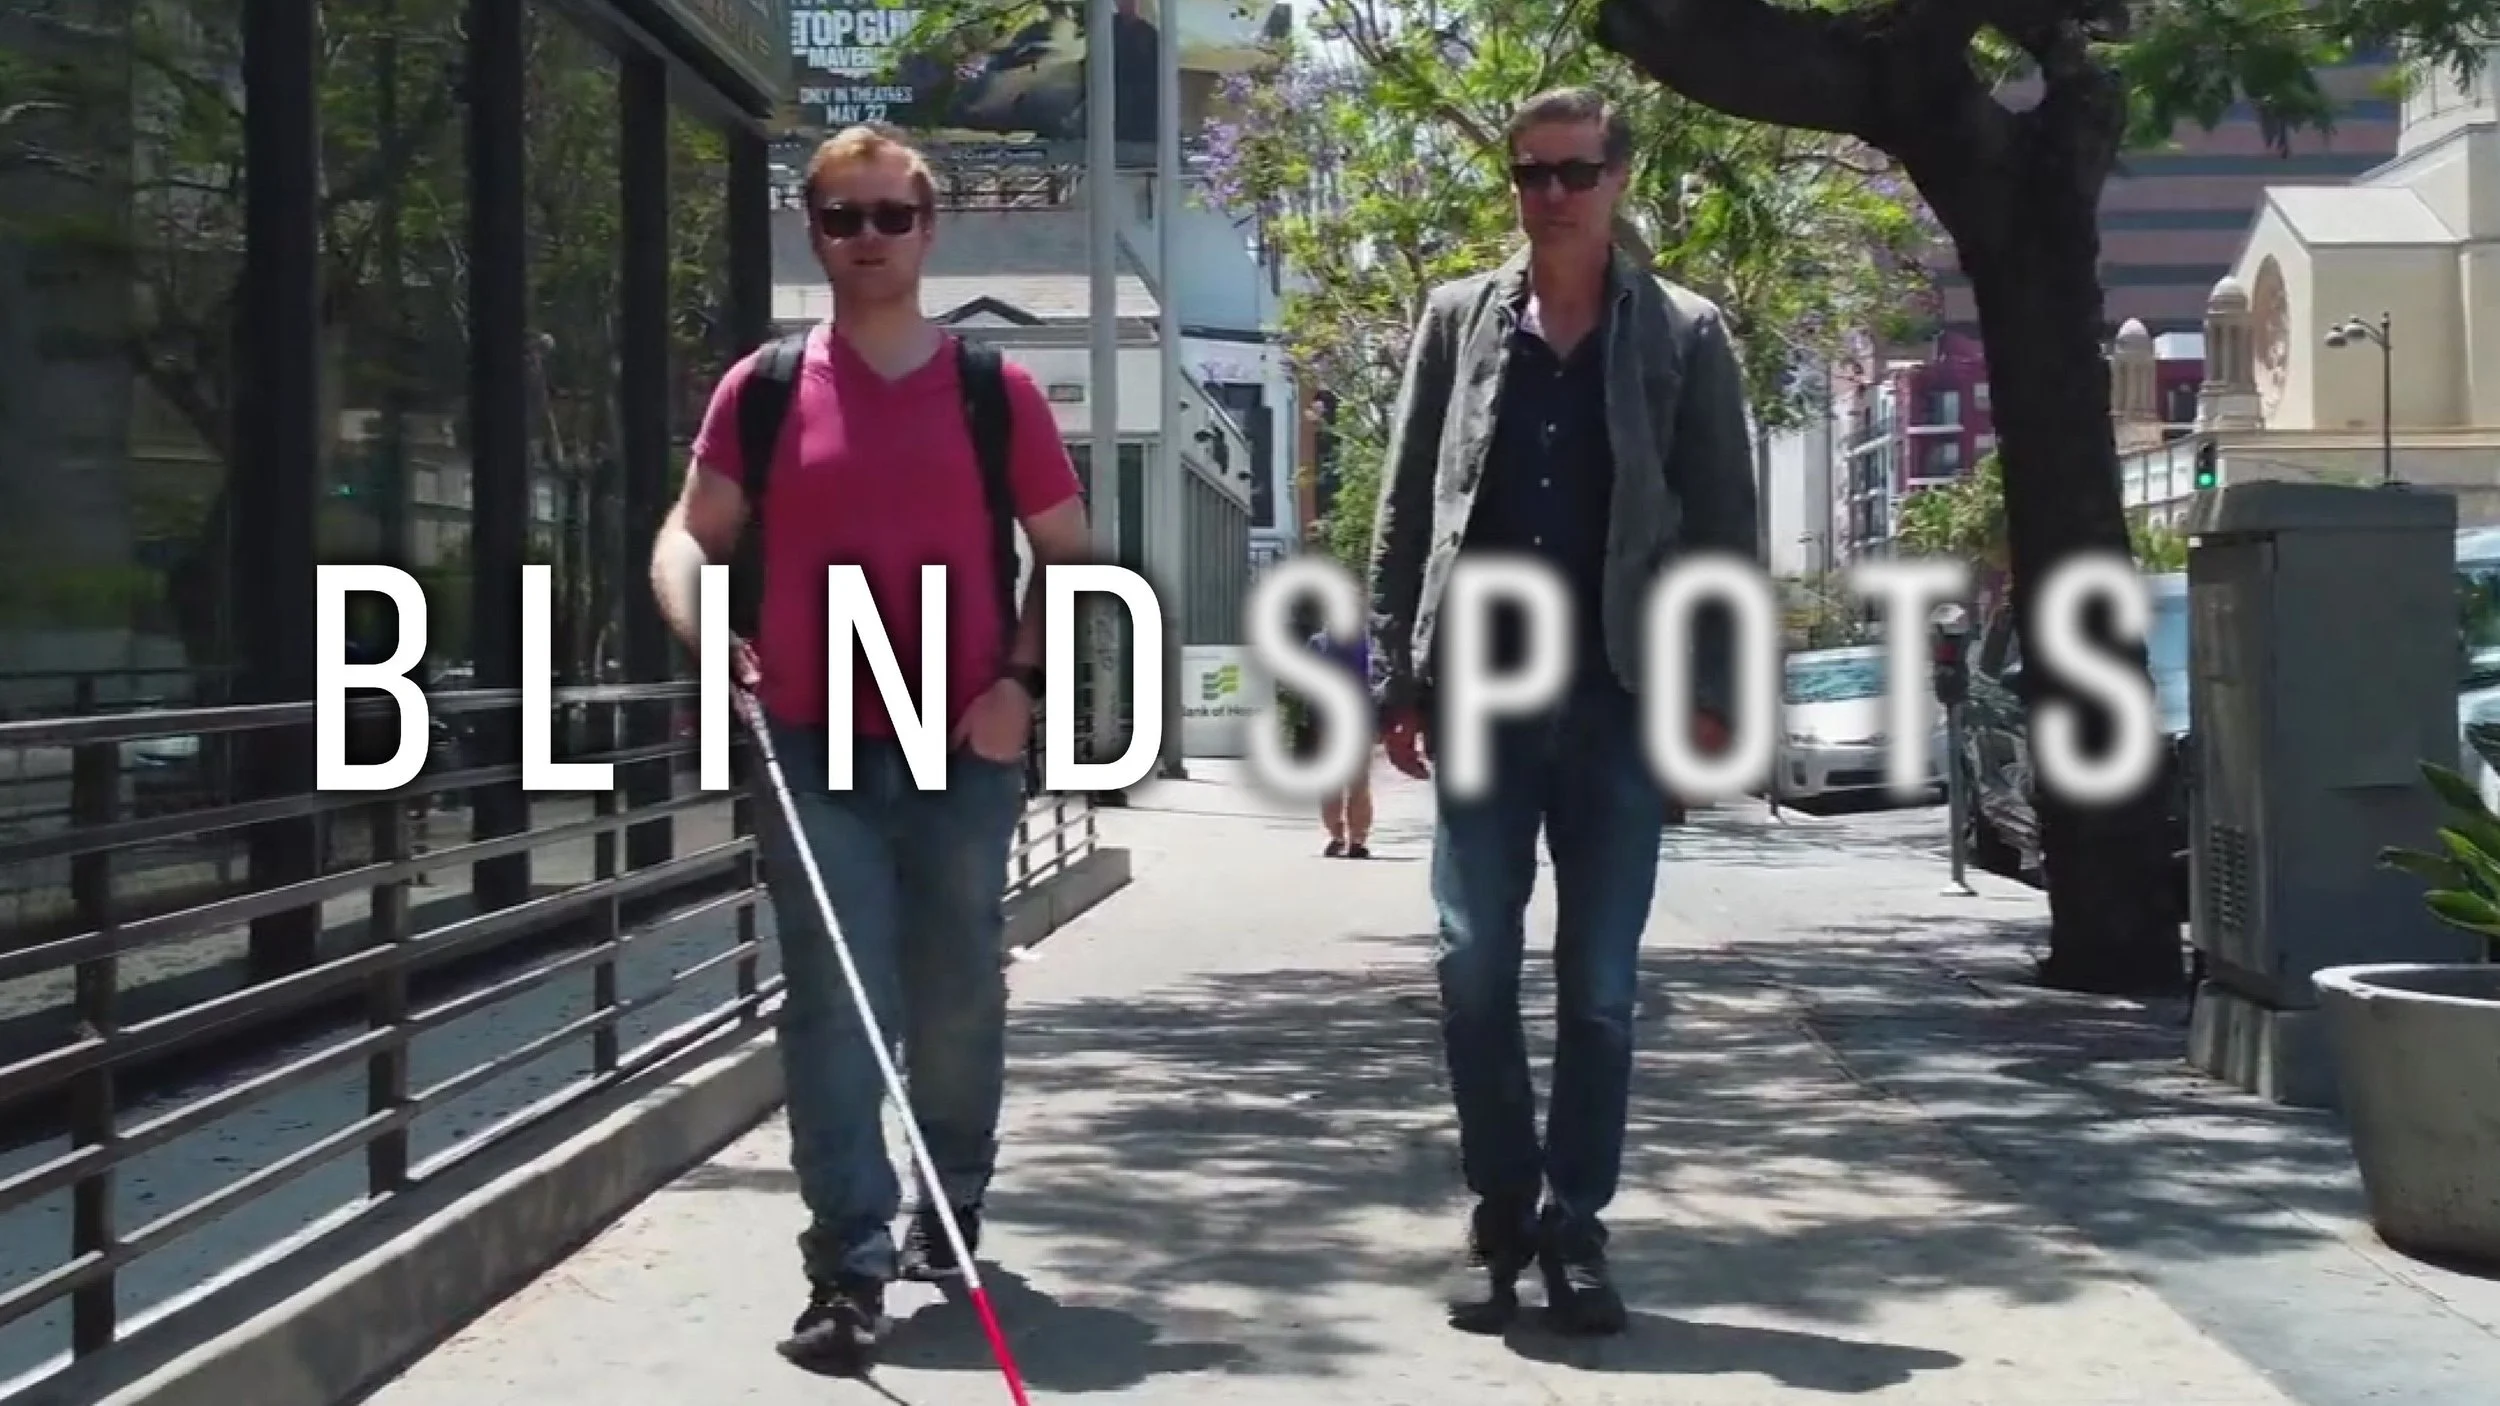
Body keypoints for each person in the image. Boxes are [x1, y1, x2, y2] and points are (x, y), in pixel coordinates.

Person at [648, 123, 1091, 1374]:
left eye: (892, 215)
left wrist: (1018, 681)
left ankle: (947, 1203)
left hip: (962, 740)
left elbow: (1070, 560)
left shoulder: (987, 390)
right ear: (815, 231)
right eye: (844, 217)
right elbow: (688, 536)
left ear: (929, 230)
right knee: (835, 1000)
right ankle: (847, 1262)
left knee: (954, 994)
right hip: (809, 740)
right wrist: (704, 630)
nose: (869, 238)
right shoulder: (769, 385)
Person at [1366, 88, 1760, 1336]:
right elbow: (1406, 506)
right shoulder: (1455, 321)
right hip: (1483, 688)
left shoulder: (1686, 334)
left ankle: (1575, 1226)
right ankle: (1501, 1208)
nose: (1551, 197)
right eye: (1530, 175)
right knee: (1471, 965)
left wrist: (1712, 695)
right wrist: (1397, 675)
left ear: (1618, 178)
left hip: (1615, 700)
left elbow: (1722, 529)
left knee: (1596, 985)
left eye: (1573, 174)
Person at [1294, 625, 1375, 858]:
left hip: (1335, 719)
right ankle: (1353, 839)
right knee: (1356, 781)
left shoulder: (1319, 642)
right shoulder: (1365, 642)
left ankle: (1341, 836)